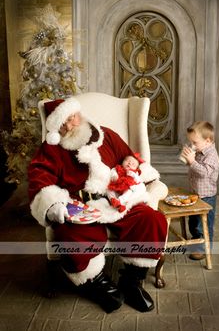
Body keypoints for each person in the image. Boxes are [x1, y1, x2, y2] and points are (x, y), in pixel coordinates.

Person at [28, 96, 168, 313]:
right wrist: (54, 204)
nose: (71, 124)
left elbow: (130, 159)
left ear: (79, 114)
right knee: (71, 232)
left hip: (117, 199)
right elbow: (40, 181)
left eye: (73, 117)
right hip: (81, 207)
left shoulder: (106, 135)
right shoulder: (50, 150)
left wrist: (132, 168)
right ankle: (96, 283)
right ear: (57, 128)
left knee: (151, 219)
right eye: (64, 122)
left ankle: (132, 281)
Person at [181, 121, 219, 260]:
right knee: (193, 221)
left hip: (206, 196)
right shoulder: (199, 150)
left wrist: (192, 162)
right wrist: (188, 159)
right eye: (191, 142)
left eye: (195, 142)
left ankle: (204, 249)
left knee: (204, 224)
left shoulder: (212, 156)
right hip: (195, 193)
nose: (192, 145)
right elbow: (194, 166)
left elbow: (203, 172)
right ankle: (196, 241)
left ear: (208, 141)